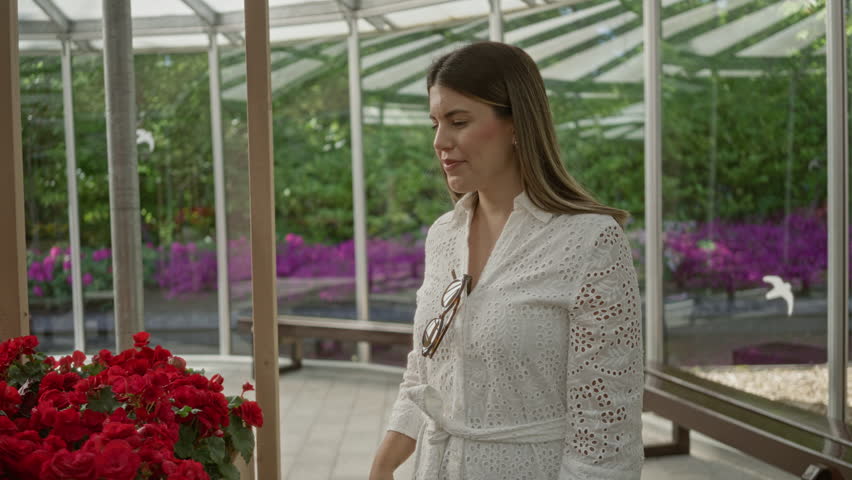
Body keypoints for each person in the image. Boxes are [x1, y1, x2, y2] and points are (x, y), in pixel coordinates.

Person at [369, 41, 644, 480]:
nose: (440, 142)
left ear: (516, 124)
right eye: (435, 123)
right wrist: (380, 468)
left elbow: (607, 435)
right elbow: (423, 373)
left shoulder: (590, 242)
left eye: (458, 121)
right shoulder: (443, 236)